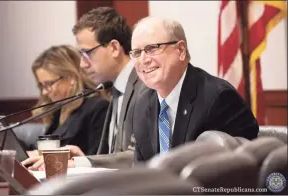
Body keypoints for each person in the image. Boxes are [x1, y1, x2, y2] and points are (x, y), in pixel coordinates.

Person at [23, 7, 145, 170]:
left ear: (114, 48)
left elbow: (138, 155)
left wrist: (82, 162)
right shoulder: (114, 89)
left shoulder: (146, 86)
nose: (82, 64)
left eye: (87, 53)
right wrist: (83, 157)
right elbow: (113, 155)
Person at [129, 16, 259, 162]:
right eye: (137, 53)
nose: (143, 60)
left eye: (152, 49)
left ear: (180, 50)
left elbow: (240, 170)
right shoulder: (142, 103)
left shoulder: (219, 99)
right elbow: (142, 169)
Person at [22, 45, 109, 164]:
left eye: (49, 84)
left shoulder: (98, 107)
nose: (44, 92)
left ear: (71, 77)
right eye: (41, 85)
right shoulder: (60, 109)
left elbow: (98, 160)